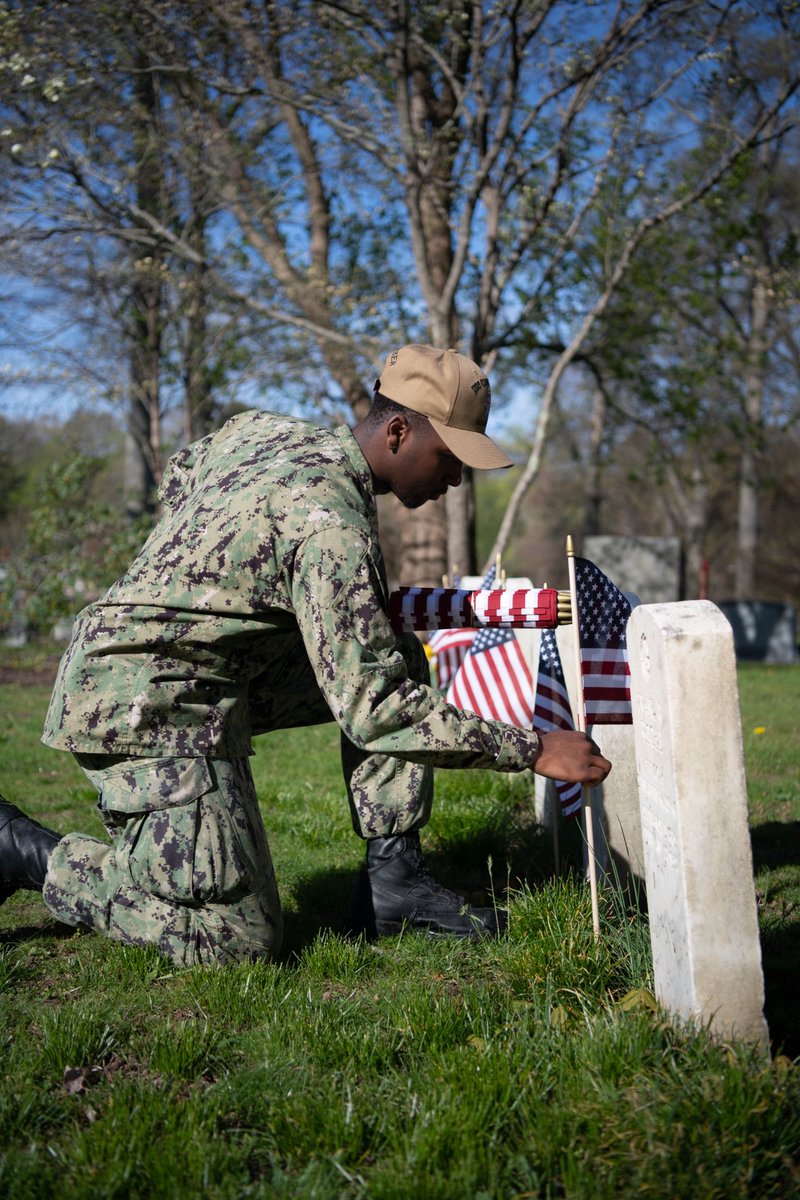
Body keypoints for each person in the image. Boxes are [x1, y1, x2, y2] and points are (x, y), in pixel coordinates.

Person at [0, 344, 611, 966]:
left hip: (207, 675)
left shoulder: (266, 432)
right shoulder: (332, 527)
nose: (455, 480)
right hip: (138, 702)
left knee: (393, 649)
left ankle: (391, 882)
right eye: (449, 458)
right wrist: (533, 748)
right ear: (399, 431)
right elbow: (376, 710)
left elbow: (183, 471)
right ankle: (22, 850)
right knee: (238, 941)